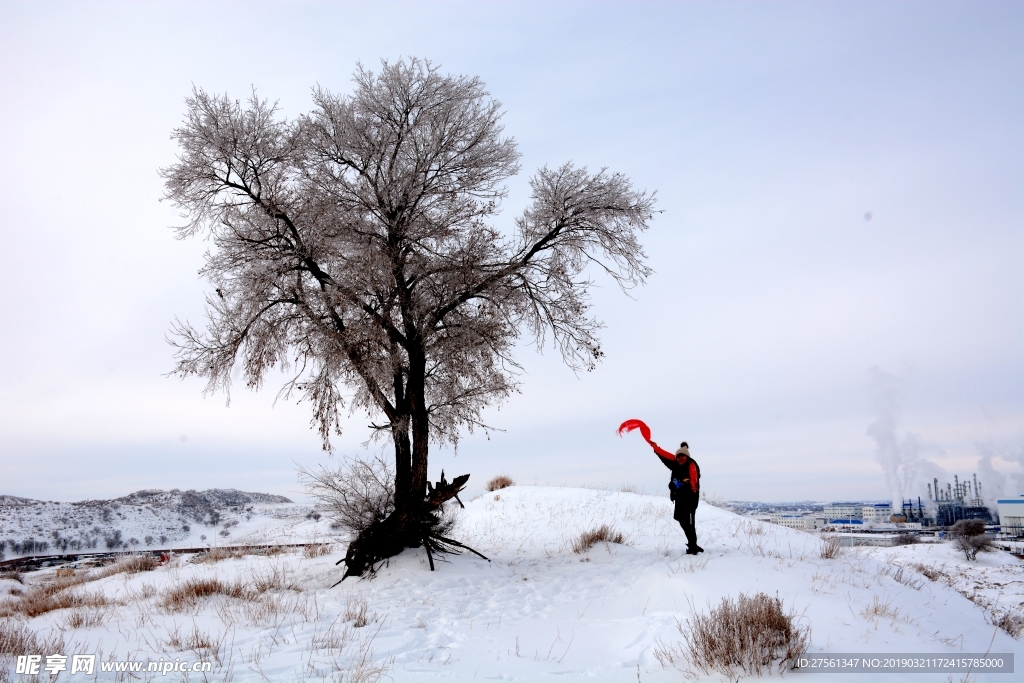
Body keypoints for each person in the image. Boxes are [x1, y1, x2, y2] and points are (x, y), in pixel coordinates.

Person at [651, 440, 702, 554]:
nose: (680, 459)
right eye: (678, 457)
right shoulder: (676, 465)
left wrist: (674, 485)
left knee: (689, 524)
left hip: (690, 500)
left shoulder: (692, 467)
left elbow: (690, 485)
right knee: (681, 520)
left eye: (682, 456)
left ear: (687, 457)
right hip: (680, 499)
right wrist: (655, 448)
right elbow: (664, 457)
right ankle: (692, 543)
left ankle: (693, 547)